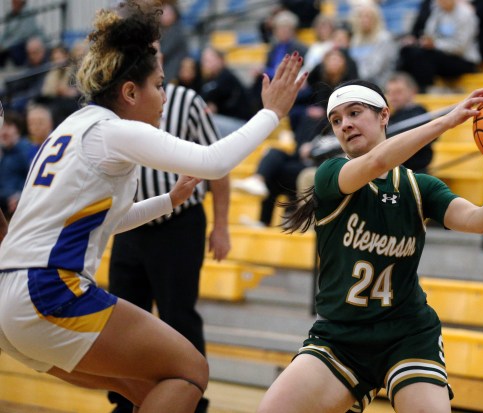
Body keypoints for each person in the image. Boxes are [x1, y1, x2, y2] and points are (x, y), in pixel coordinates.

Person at [0, 1, 306, 412]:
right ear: (129, 92)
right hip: (48, 291)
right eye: (159, 85)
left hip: (9, 299)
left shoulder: (70, 128)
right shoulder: (113, 131)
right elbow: (212, 161)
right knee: (191, 371)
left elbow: (105, 223)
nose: (164, 96)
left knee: (145, 391)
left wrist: (168, 200)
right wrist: (272, 113)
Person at [257, 79, 483, 412]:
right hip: (340, 335)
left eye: (355, 113)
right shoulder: (330, 173)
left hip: (408, 335)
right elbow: (376, 164)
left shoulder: (420, 188)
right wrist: (445, 121)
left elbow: (478, 221)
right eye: (336, 120)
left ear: (384, 116)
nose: (345, 124)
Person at [105, 41, 230, 413]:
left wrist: (221, 226)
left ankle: (192, 400)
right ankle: (128, 400)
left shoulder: (186, 101)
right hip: (130, 225)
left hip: (179, 224)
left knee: (178, 316)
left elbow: (218, 166)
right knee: (124, 317)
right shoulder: (113, 107)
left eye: (154, 49)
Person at [397, 0, 480, 93]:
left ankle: (425, 89)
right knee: (408, 51)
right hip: (441, 54)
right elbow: (428, 33)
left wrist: (435, 44)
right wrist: (423, 41)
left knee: (426, 57)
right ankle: (403, 87)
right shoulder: (437, 12)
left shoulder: (465, 14)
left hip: (463, 59)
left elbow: (460, 47)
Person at [384, 72, 432, 173]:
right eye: (389, 92)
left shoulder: (420, 114)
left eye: (398, 92)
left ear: (413, 92)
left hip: (415, 173)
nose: (393, 96)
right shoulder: (391, 116)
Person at [347, 2, 397, 88]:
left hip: (378, 86)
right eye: (360, 16)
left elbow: (375, 69)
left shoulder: (383, 38)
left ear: (376, 18)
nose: (363, 20)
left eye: (368, 16)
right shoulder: (355, 39)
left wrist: (352, 77)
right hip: (356, 83)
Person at [0, 110, 33, 217]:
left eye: (8, 127)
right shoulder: (4, 153)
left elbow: (34, 181)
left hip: (23, 208)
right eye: (1, 127)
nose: (3, 132)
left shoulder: (27, 150)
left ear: (17, 129)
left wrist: (20, 195)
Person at [0, 0, 45, 67]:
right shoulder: (10, 15)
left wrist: (5, 45)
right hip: (11, 44)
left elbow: (23, 34)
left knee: (15, 48)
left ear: (22, 3)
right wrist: (1, 43)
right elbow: (5, 33)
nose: (13, 4)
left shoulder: (28, 13)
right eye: (13, 2)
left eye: (16, 2)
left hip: (24, 43)